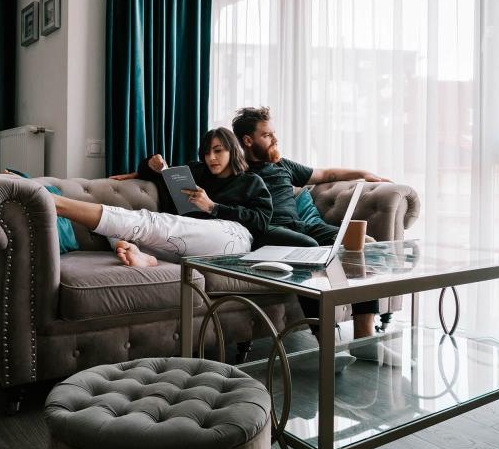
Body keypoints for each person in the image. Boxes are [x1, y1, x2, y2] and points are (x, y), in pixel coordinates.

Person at [231, 106, 399, 366]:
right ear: (248, 140)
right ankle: (328, 348)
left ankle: (365, 341)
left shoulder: (282, 165)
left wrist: (363, 174)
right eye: (267, 135)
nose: (275, 139)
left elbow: (327, 174)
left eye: (274, 133)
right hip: (270, 232)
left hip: (303, 227)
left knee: (360, 244)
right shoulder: (234, 171)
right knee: (309, 252)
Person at [54, 127, 272, 267]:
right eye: (206, 152)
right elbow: (155, 174)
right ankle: (144, 256)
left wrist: (213, 207)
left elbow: (261, 221)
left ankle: (58, 204)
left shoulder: (251, 182)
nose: (211, 158)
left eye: (218, 151)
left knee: (157, 223)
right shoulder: (197, 171)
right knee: (122, 234)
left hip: (233, 237)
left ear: (233, 150)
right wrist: (152, 164)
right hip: (190, 241)